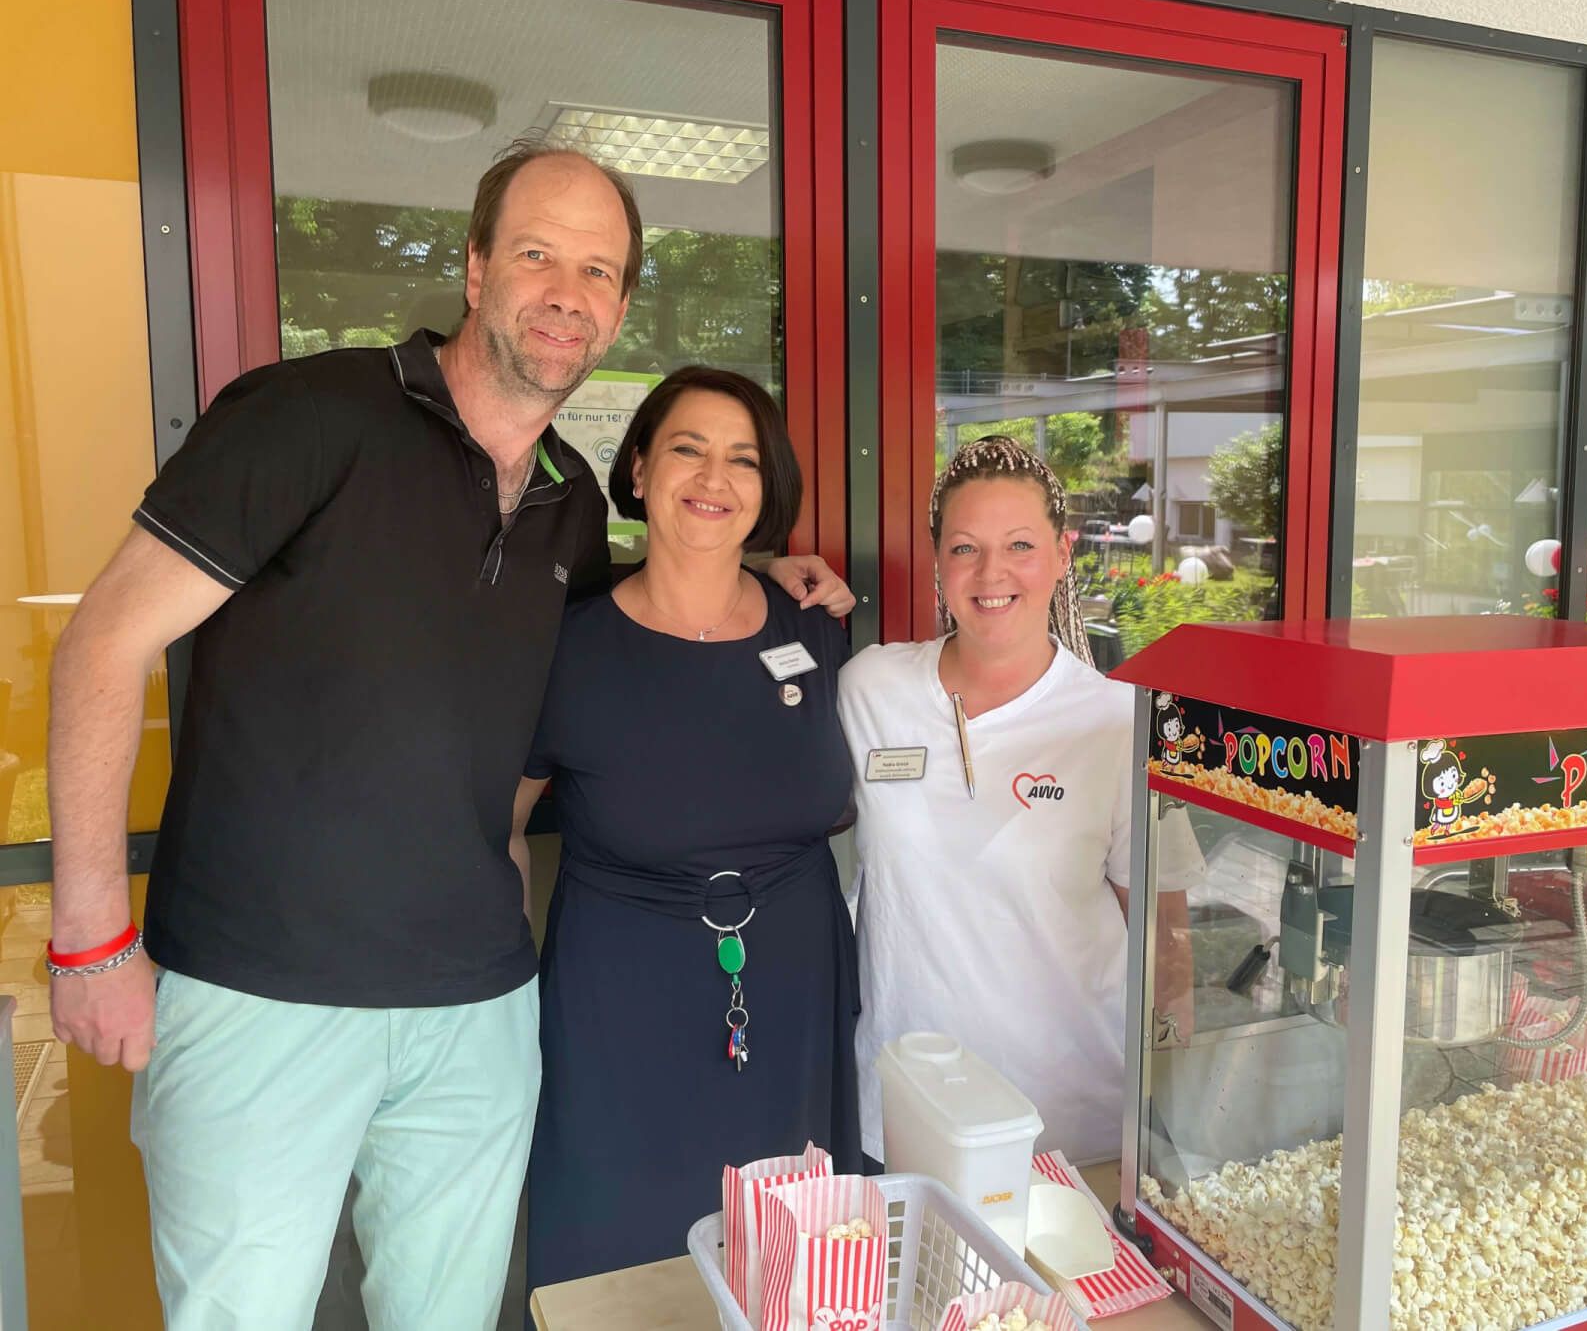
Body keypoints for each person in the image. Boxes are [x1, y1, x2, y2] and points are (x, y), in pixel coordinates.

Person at [46, 139, 849, 1330]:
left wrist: (761, 561)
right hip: (265, 994)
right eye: (537, 256)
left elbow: (654, 615)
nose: (566, 293)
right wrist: (90, 939)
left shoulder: (571, 505)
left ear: (621, 304)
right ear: (475, 267)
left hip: (475, 1010)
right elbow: (102, 645)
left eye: (597, 271)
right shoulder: (309, 417)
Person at [515, 365, 859, 1286]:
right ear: (637, 469)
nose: (715, 479)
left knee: (791, 1261)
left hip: (793, 993)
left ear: (768, 486)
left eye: (742, 459)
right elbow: (499, 828)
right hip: (619, 1006)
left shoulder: (813, 627)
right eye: (688, 450)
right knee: (622, 1258)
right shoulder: (568, 645)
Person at [838, 436, 1196, 1166]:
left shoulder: (1121, 723)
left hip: (1070, 1132)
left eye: (1020, 545)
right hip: (905, 1117)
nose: (991, 573)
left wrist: (1170, 1115)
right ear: (938, 562)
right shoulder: (870, 688)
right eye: (965, 548)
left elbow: (1166, 938)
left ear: (1063, 555)